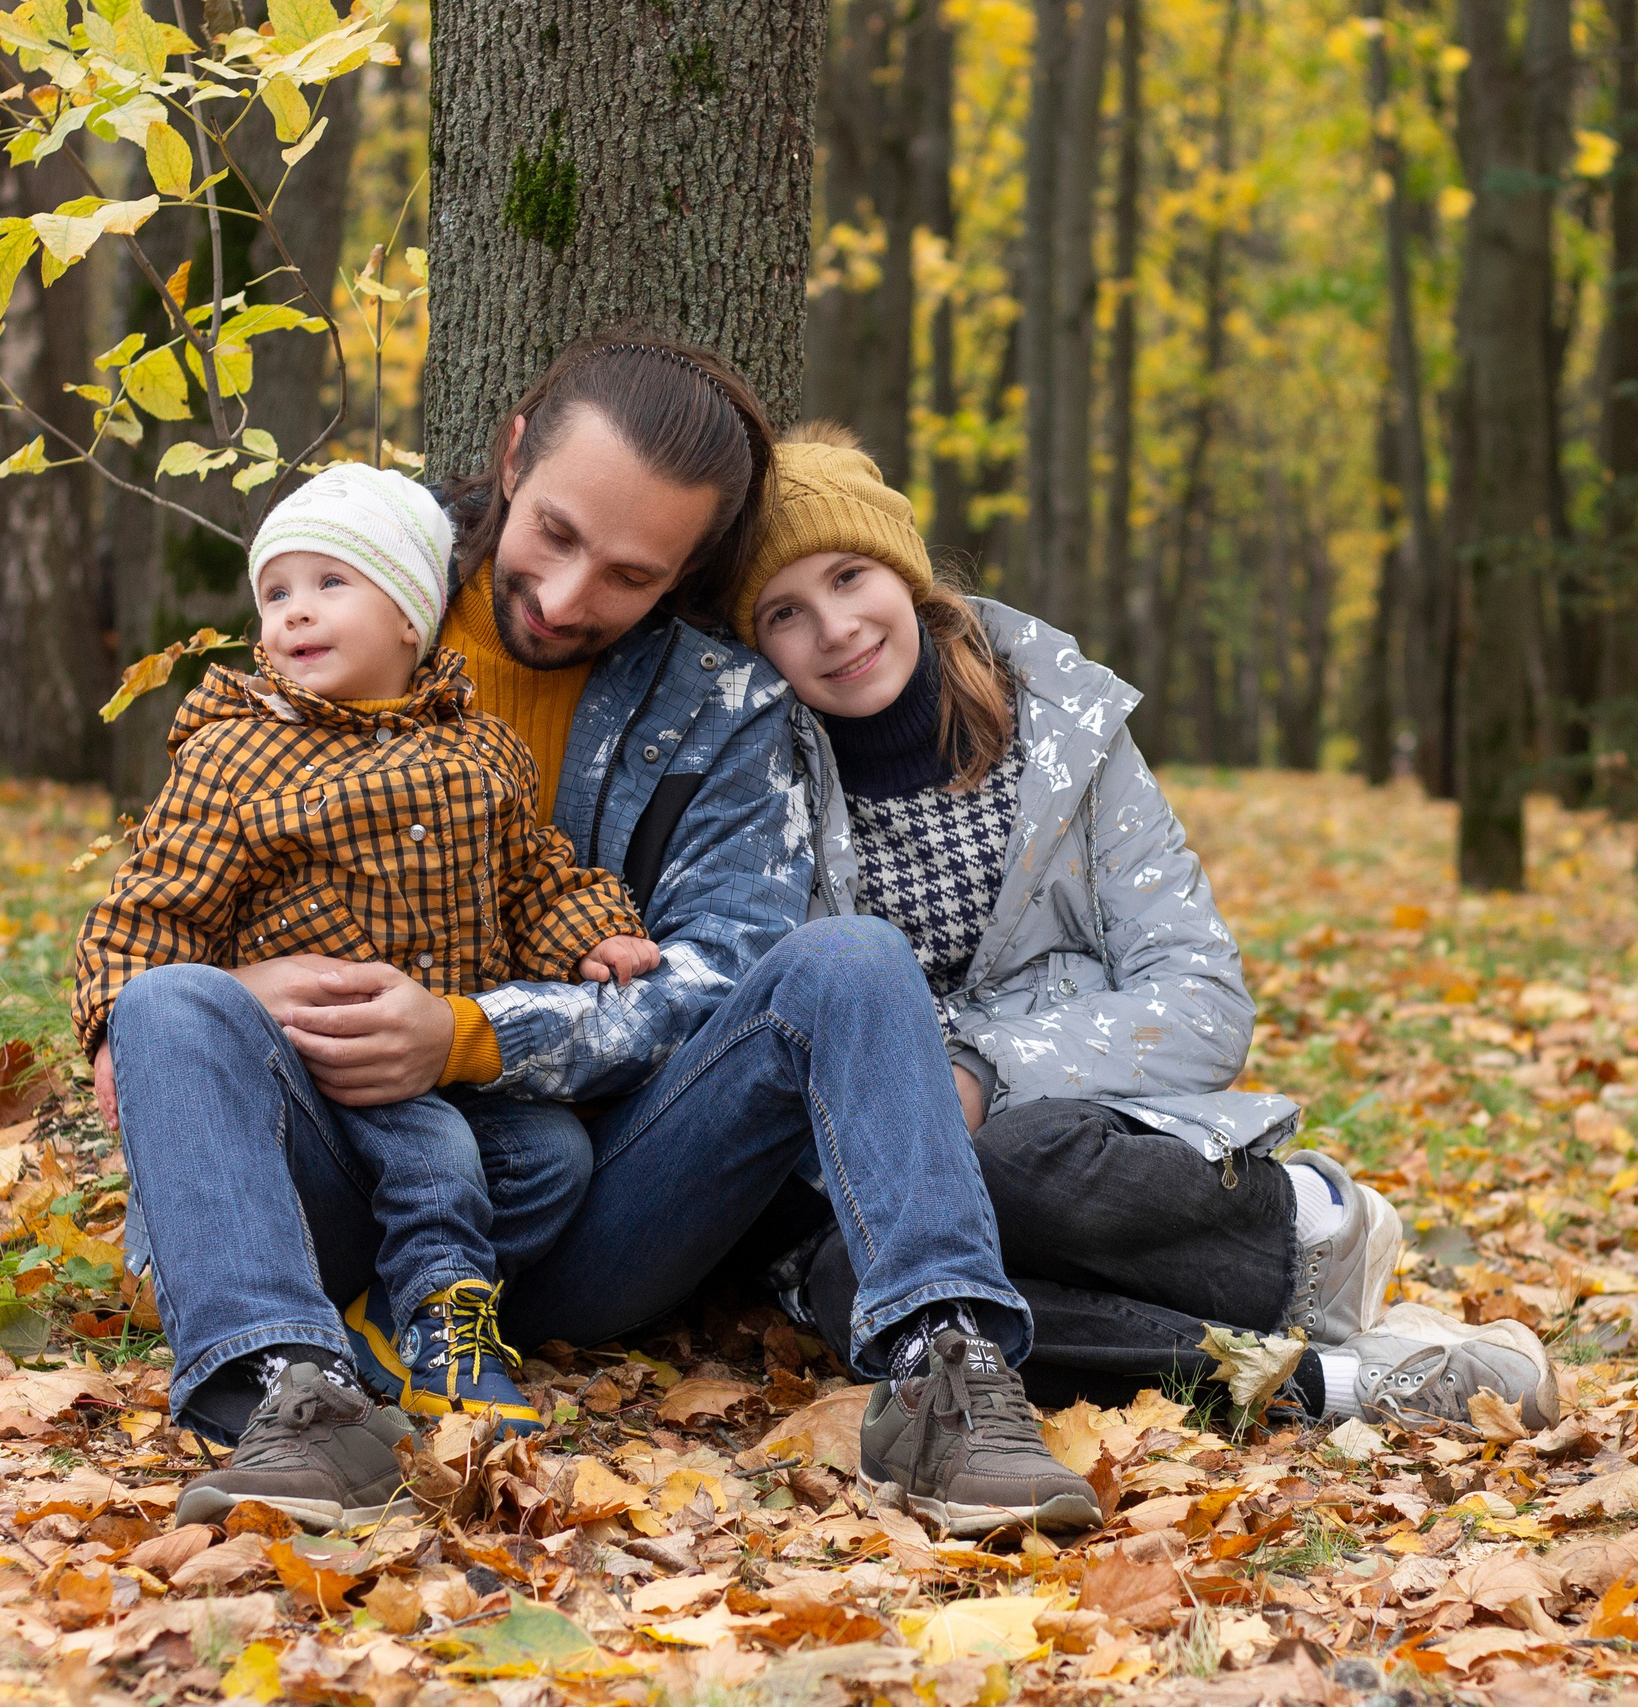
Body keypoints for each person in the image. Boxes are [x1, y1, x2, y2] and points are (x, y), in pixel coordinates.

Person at [110, 333, 1095, 1540]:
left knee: (852, 960)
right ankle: (287, 1393)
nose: (570, 598)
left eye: (630, 575)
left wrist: (472, 1036)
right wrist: (231, 989)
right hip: (331, 1190)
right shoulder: (342, 581)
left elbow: (713, 978)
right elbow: (159, 898)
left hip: (583, 1207)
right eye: (558, 535)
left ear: (685, 574)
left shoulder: (724, 705)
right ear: (515, 455)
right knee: (166, 1003)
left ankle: (945, 1370)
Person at [734, 423, 1560, 1433]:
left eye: (851, 576)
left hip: (1078, 1145)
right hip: (885, 1193)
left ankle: (1303, 1232)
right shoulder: (759, 783)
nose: (835, 627)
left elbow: (1202, 1000)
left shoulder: (1063, 732)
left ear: (905, 572)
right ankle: (1348, 1385)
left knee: (1004, 1165)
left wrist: (976, 1070)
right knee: (855, 1290)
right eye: (785, 611)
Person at [75, 465, 664, 1489]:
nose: (296, 611)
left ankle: (395, 1332)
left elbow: (533, 876)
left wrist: (594, 935)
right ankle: (280, 1370)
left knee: (553, 1156)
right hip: (304, 1101)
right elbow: (149, 911)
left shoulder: (482, 751)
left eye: (331, 584)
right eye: (275, 593)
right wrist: (116, 1027)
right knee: (178, 1005)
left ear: (412, 618)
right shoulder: (237, 759)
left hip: (438, 1082)